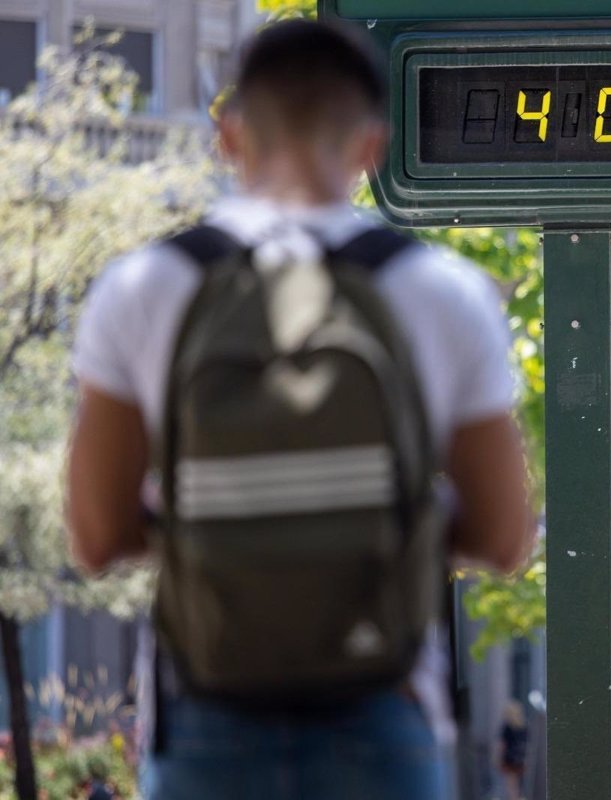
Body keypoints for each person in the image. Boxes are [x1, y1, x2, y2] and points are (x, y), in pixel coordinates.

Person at [66, 19, 533, 800]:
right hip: (386, 715)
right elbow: (504, 537)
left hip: (206, 715)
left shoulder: (143, 287)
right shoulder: (442, 291)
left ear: (228, 135)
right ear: (372, 146)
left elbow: (96, 536)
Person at [497, 701, 529, 800]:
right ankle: (519, 797)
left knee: (511, 783)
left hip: (509, 758)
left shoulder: (507, 727)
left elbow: (503, 745)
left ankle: (514, 798)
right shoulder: (524, 727)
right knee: (519, 782)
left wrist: (498, 758)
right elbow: (527, 744)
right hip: (520, 757)